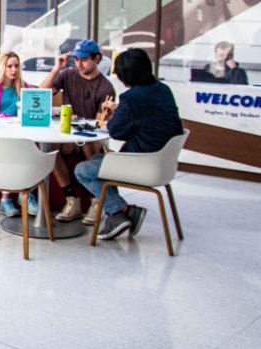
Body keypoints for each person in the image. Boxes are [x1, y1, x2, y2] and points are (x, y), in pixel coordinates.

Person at [75, 48, 183, 240]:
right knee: (98, 159)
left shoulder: (132, 98)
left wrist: (118, 113)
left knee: (83, 170)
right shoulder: (163, 90)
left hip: (141, 164)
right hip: (163, 162)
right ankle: (116, 215)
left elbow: (117, 131)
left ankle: (121, 210)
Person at [40, 39, 115, 224]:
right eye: (76, 59)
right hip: (68, 133)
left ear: (96, 59)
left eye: (83, 59)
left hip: (90, 136)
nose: (79, 64)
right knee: (50, 148)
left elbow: (99, 126)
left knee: (89, 145)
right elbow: (41, 94)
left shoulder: (105, 87)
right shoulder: (67, 74)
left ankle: (95, 201)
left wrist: (107, 114)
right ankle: (71, 199)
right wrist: (56, 69)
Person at [0, 51, 36, 218]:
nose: (13, 70)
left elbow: (36, 102)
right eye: (9, 66)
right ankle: (6, 199)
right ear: (1, 68)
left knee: (32, 149)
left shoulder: (23, 87)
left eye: (16, 66)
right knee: (14, 151)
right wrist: (10, 118)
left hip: (21, 134)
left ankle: (26, 194)